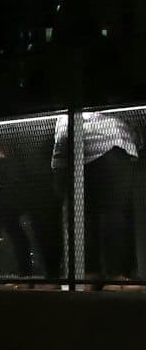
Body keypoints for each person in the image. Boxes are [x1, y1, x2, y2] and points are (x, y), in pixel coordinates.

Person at [54, 112, 140, 282]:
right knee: (105, 215)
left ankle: (97, 275)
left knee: (87, 218)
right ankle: (113, 276)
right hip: (98, 140)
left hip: (80, 142)